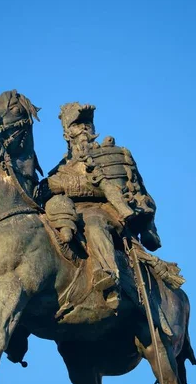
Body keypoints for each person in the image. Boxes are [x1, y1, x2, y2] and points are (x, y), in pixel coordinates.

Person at [39, 102, 161, 307]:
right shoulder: (58, 170)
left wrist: (147, 225)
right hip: (69, 214)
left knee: (93, 223)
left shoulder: (113, 156)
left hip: (107, 213)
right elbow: (41, 193)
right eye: (77, 125)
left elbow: (135, 192)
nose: (84, 129)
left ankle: (108, 277)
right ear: (67, 134)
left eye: (87, 123)